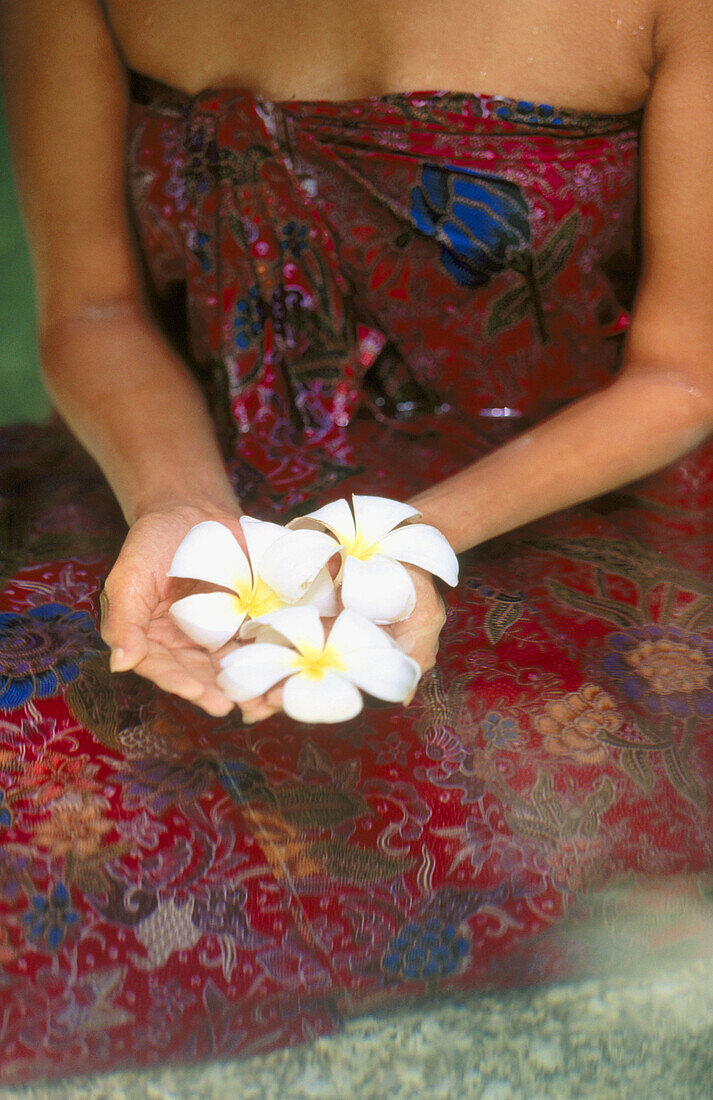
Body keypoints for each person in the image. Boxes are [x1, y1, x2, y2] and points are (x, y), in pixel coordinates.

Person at [0, 0, 712, 1084]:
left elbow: (680, 375)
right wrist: (183, 511)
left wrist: (408, 539)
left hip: (587, 512)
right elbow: (92, 310)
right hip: (185, 469)